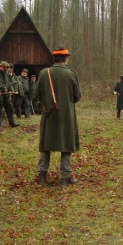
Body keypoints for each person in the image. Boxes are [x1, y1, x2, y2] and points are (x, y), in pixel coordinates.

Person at [35, 46, 81, 185]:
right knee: (66, 144)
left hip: (49, 115)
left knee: (45, 145)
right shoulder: (71, 74)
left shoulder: (44, 73)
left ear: (54, 58)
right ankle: (66, 177)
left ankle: (42, 175)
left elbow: (36, 94)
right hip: (66, 116)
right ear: (65, 59)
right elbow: (77, 96)